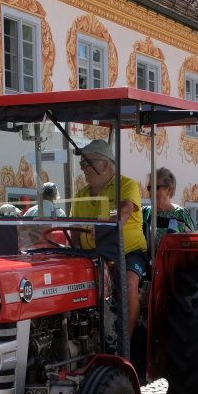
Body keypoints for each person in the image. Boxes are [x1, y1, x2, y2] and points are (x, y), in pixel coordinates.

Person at [69, 139, 146, 339]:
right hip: (92, 255)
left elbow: (125, 211)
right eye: (81, 164)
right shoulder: (81, 195)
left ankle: (124, 345)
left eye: (87, 163)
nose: (83, 168)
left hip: (127, 253)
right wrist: (74, 252)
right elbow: (74, 229)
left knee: (128, 284)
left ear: (105, 164)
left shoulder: (126, 185)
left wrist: (105, 225)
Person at [144, 167, 197, 236]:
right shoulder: (145, 212)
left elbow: (193, 239)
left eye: (156, 187)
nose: (151, 191)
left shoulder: (180, 214)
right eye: (149, 188)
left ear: (169, 190)